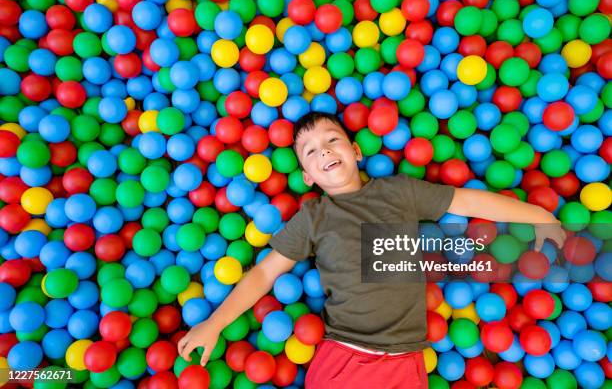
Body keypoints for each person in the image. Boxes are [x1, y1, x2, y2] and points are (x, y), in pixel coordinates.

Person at [178, 112, 566, 388]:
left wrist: (537, 214)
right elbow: (264, 273)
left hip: (407, 361)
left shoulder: (398, 191)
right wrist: (214, 323)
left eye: (332, 140)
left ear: (356, 150)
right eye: (310, 152)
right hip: (346, 359)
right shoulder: (313, 216)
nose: (325, 151)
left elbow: (465, 202)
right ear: (306, 177)